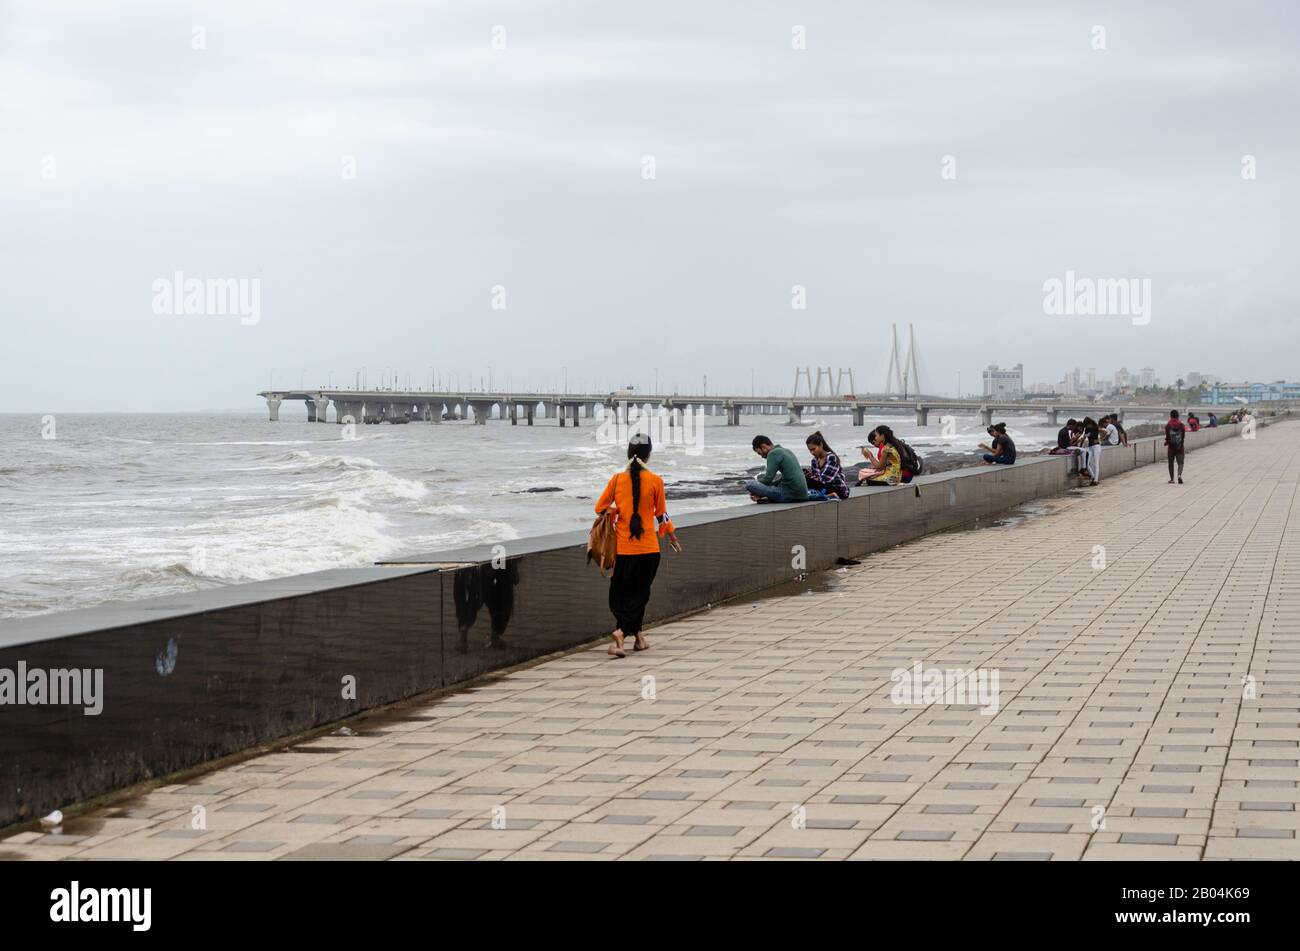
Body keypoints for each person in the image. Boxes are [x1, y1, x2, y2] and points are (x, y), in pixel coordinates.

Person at [594, 434, 682, 658]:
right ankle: (624, 634)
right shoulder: (655, 481)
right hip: (649, 550)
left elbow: (600, 508)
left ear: (628, 454)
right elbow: (661, 515)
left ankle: (632, 637)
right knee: (640, 594)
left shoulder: (616, 479)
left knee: (623, 595)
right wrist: (672, 538)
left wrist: (617, 513)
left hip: (624, 551)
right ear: (648, 455)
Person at [746, 436, 809, 503]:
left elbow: (768, 479)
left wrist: (757, 488)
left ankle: (764, 496)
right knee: (775, 485)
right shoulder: (787, 451)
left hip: (789, 495)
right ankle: (765, 497)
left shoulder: (773, 453)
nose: (761, 456)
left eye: (759, 453)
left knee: (750, 484)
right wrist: (769, 486)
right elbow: (783, 478)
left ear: (763, 446)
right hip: (803, 495)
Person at [804, 431, 850, 499]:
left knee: (806, 480)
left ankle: (823, 494)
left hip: (839, 490)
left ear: (821, 445)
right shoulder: (814, 461)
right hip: (824, 487)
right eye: (810, 450)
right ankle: (825, 495)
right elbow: (816, 477)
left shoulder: (831, 457)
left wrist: (810, 479)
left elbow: (825, 479)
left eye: (814, 449)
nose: (812, 452)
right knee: (802, 479)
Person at [1164, 410, 1187, 484]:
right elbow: (1183, 436)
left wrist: (1167, 442)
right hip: (1180, 447)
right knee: (1180, 462)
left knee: (1171, 463)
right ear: (1178, 416)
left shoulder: (1168, 425)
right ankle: (1179, 475)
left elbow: (1167, 436)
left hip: (1171, 447)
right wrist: (1181, 443)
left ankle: (1172, 479)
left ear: (1170, 416)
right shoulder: (1181, 425)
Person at [1080, 417, 1101, 486]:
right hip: (1090, 447)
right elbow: (1084, 438)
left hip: (1096, 447)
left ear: (1090, 423)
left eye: (1087, 425)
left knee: (1096, 463)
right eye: (1085, 425)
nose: (1086, 426)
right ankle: (1093, 477)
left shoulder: (1095, 427)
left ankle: (1096, 480)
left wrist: (1101, 439)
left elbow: (1094, 436)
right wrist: (1080, 446)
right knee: (1087, 464)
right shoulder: (1086, 429)